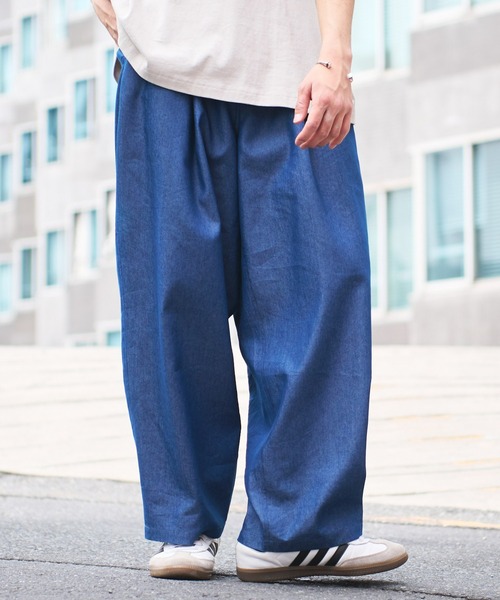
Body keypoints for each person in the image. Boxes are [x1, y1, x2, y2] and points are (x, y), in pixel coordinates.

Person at [91, 0, 408, 582]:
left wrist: (335, 57)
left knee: (320, 294)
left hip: (297, 78)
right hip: (163, 70)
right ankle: (183, 524)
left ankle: (297, 529)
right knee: (174, 299)